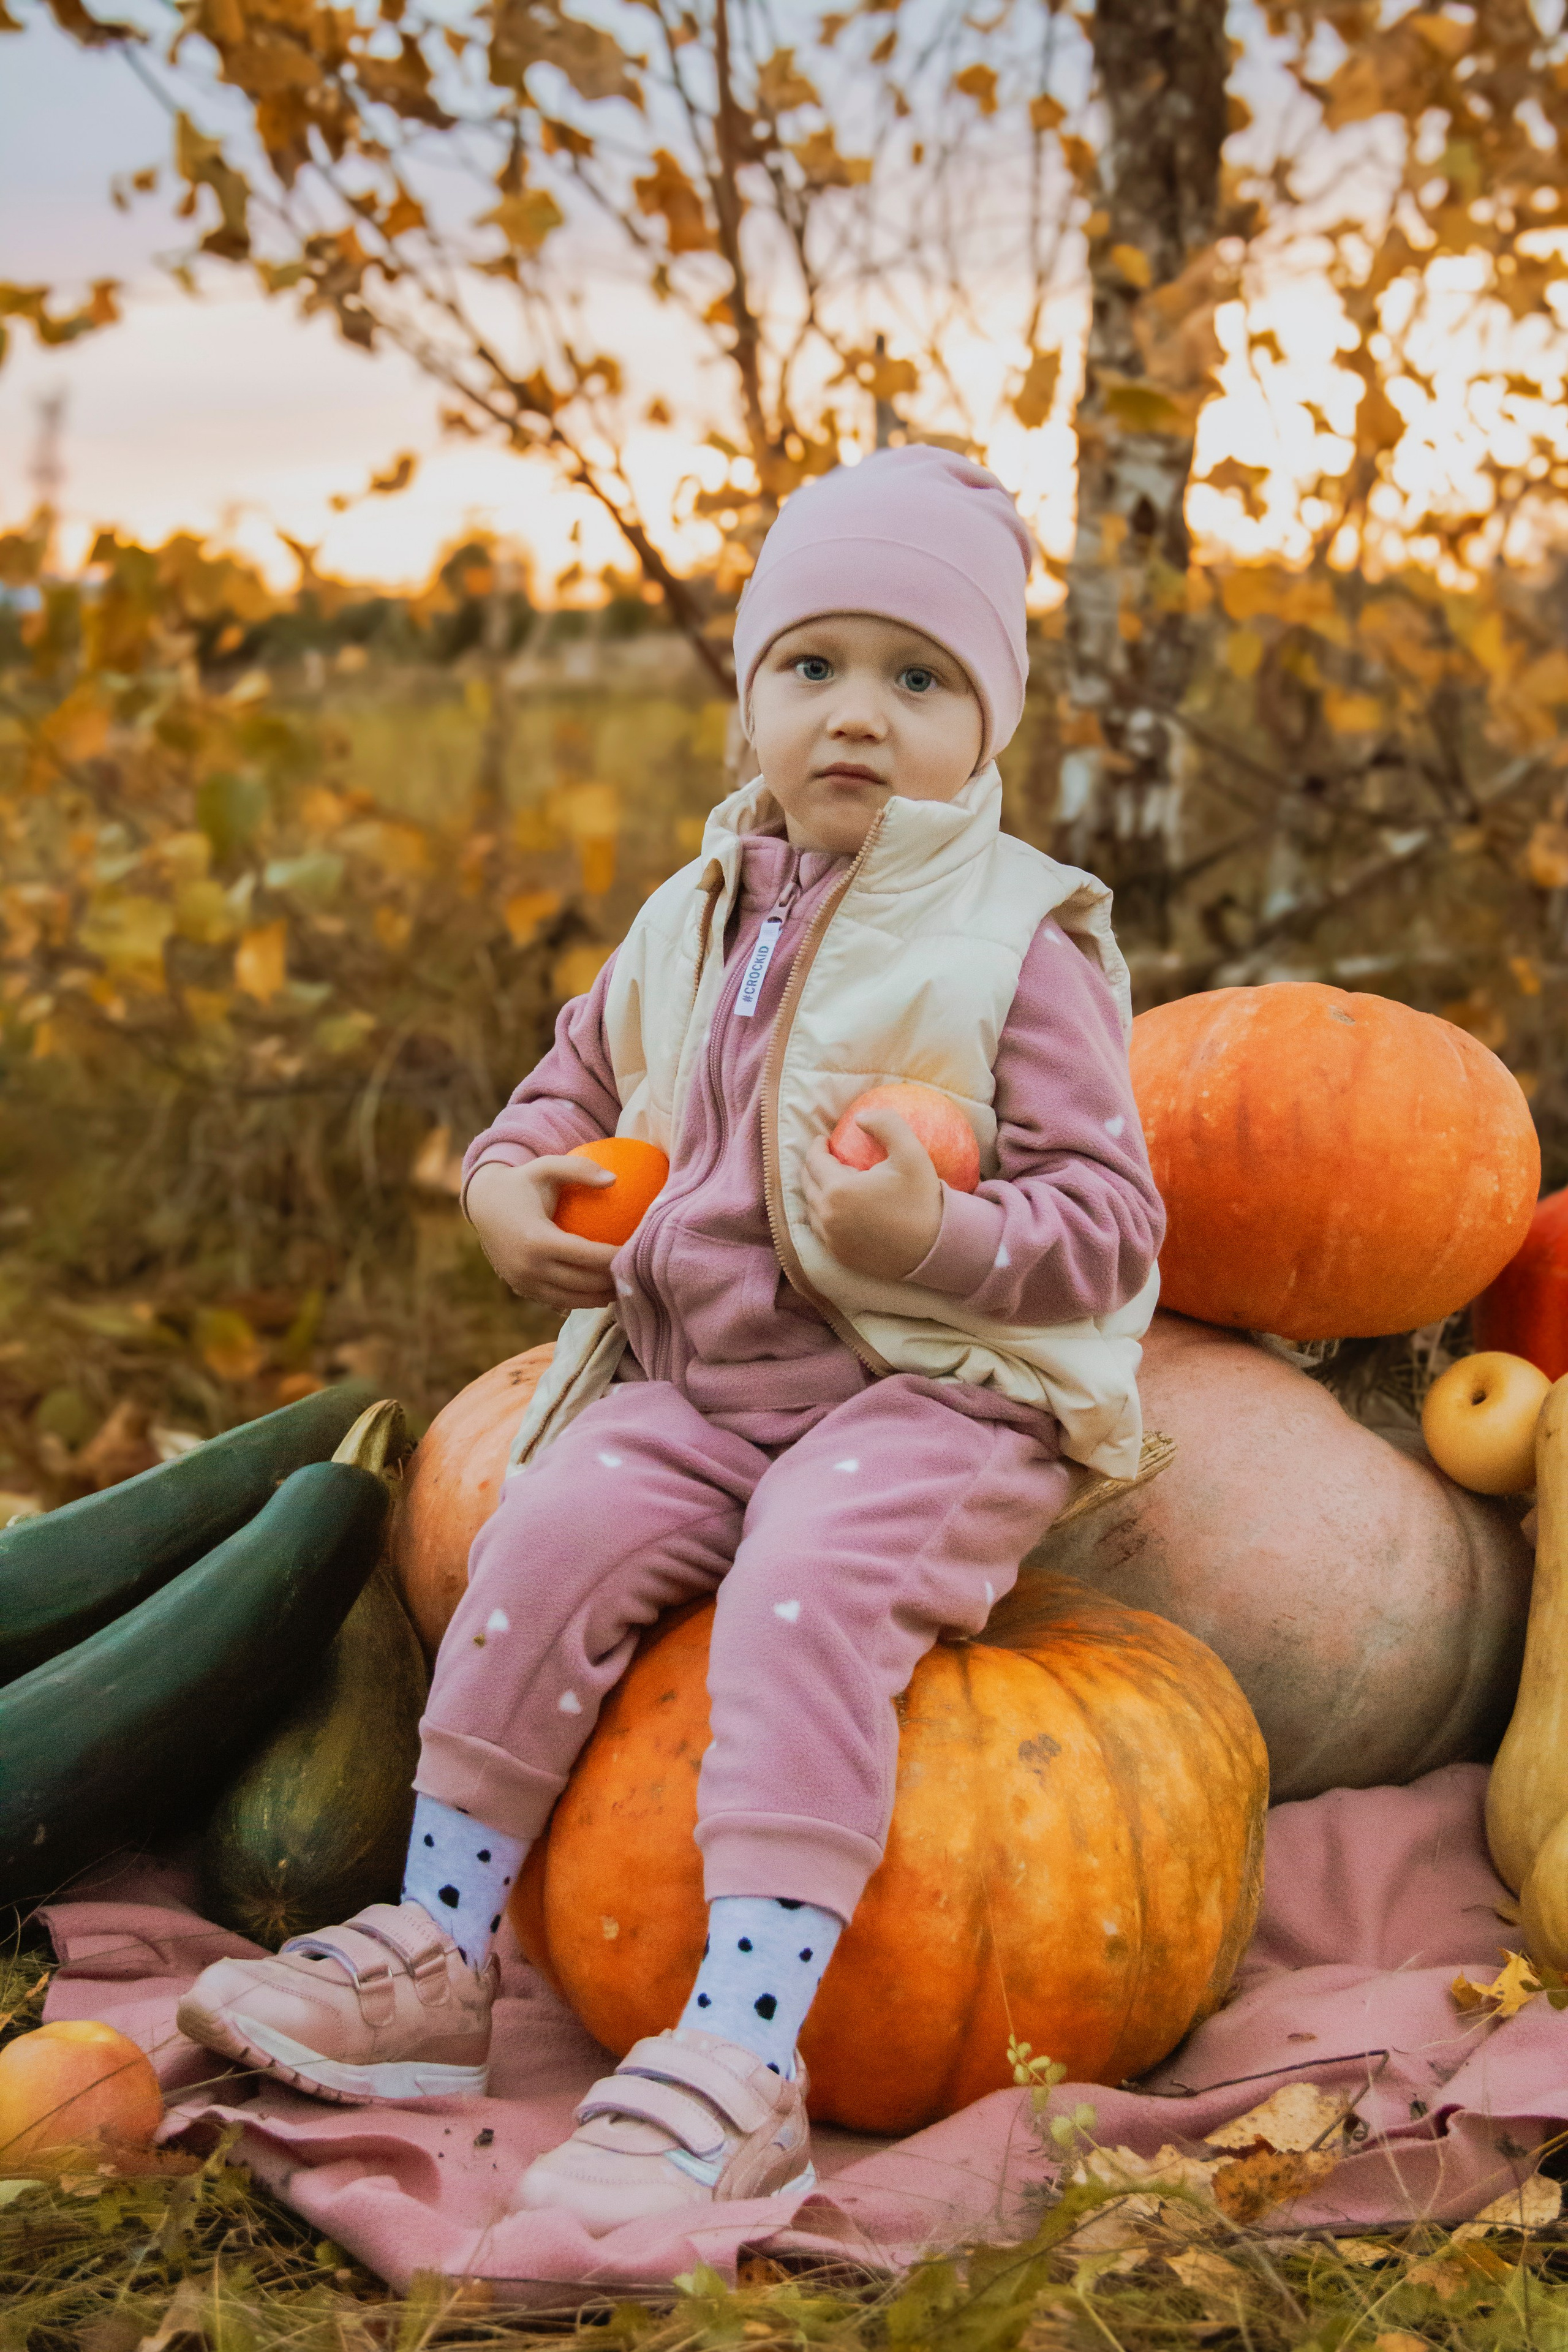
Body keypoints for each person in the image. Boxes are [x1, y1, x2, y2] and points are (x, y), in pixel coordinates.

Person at [178, 445, 1166, 2236]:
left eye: (918, 676)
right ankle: (442, 1955)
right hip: (708, 1385)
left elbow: (1112, 1228)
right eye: (814, 667)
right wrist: (507, 1190)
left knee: (805, 1588)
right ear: (748, 706)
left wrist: (934, 1235)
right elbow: (562, 1091)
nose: (857, 715)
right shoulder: (688, 916)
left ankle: (742, 2049)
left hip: (935, 1396)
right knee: (537, 1532)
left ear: (988, 720)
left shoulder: (1018, 941)